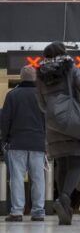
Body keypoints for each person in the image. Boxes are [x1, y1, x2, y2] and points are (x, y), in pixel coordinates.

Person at [35, 42, 80, 225]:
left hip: (54, 125)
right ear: (63, 53)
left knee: (62, 164)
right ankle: (64, 198)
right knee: (77, 161)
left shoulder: (40, 75)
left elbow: (41, 104)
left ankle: (64, 206)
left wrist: (55, 115)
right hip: (74, 121)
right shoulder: (70, 68)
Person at [1, 66, 46, 222]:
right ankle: (38, 211)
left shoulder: (12, 95)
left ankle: (17, 212)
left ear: (20, 77)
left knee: (17, 178)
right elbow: (48, 121)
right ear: (36, 78)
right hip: (38, 143)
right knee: (38, 178)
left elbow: (5, 120)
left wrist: (4, 140)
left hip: (17, 142)